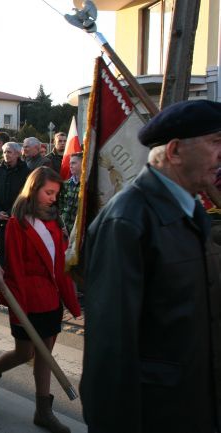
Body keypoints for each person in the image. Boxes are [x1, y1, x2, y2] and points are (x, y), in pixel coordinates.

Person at [81, 100, 221, 433]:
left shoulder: (193, 215)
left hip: (198, 408)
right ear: (174, 151)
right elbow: (110, 351)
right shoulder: (127, 221)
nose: (220, 154)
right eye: (215, 142)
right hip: (160, 415)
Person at [0, 167, 80, 433]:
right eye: (48, 192)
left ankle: (43, 411)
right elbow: (16, 269)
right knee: (25, 352)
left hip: (51, 300)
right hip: (27, 299)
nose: (53, 198)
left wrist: (69, 298)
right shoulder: (17, 224)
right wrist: (17, 307)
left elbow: (59, 263)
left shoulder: (54, 220)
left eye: (56, 193)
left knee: (45, 354)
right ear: (33, 190)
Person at [0, 142, 30, 265]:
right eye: (4, 152)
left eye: (9, 152)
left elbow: (27, 196)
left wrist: (11, 212)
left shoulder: (26, 172)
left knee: (17, 251)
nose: (6, 155)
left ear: (17, 154)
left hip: (18, 218)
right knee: (1, 251)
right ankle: (2, 280)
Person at [58, 152, 82, 234]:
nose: (70, 166)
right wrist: (61, 224)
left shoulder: (87, 186)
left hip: (78, 231)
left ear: (83, 163)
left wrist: (72, 228)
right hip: (63, 228)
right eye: (70, 163)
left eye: (74, 163)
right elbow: (60, 205)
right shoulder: (66, 184)